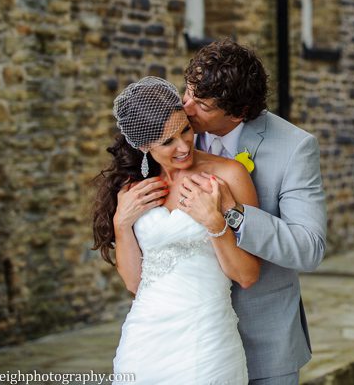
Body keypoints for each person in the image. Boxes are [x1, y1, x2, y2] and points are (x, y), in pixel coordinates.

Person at [91, 76, 260, 384]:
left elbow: (247, 275)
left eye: (185, 130)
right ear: (143, 146)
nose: (184, 146)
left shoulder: (228, 175)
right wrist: (121, 224)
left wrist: (214, 223)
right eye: (168, 141)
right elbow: (134, 283)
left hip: (206, 342)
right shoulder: (133, 189)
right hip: (144, 341)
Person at [180, 39, 327, 385]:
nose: (185, 108)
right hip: (189, 336)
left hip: (262, 338)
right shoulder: (173, 130)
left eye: (200, 104)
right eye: (186, 92)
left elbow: (310, 247)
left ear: (239, 112)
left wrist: (235, 213)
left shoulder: (294, 148)